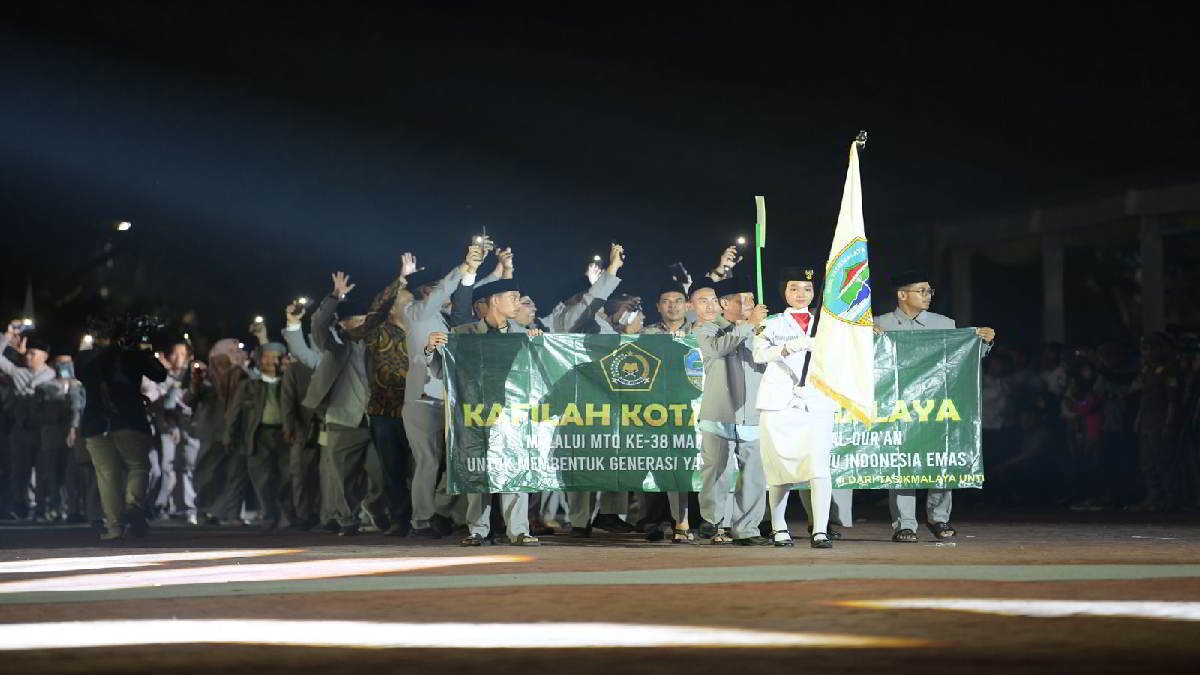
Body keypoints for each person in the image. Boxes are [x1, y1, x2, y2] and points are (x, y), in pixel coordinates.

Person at [875, 270, 995, 542]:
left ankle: (939, 518)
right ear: (902, 294)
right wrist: (863, 336)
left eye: (929, 291)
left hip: (937, 402)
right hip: (897, 406)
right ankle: (905, 523)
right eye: (922, 291)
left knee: (941, 457)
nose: (928, 296)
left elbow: (961, 359)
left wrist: (983, 342)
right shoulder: (879, 324)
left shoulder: (944, 323)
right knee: (901, 463)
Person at [432, 278, 544, 546]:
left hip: (512, 413)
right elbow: (440, 372)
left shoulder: (523, 335)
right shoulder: (463, 333)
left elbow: (537, 376)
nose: (518, 303)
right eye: (514, 297)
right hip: (475, 412)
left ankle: (518, 530)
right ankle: (477, 529)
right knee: (477, 469)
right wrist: (430, 350)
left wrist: (538, 349)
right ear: (495, 299)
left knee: (515, 468)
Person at [402, 243, 486, 537]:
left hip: (450, 398)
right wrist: (462, 269)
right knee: (428, 462)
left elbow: (470, 297)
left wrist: (474, 271)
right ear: (426, 291)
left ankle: (442, 512)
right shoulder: (414, 312)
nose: (443, 293)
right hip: (422, 399)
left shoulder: (446, 319)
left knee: (455, 462)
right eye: (436, 289)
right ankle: (421, 521)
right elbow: (443, 293)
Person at [752, 267, 836, 548]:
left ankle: (821, 530)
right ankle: (779, 527)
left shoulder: (826, 323)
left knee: (819, 467)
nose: (801, 295)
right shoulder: (771, 323)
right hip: (778, 404)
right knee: (779, 468)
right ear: (784, 292)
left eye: (808, 289)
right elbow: (759, 354)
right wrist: (793, 346)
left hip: (816, 402)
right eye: (794, 289)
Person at [691, 276, 770, 545]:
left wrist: (758, 330)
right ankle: (715, 522)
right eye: (744, 299)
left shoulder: (762, 328)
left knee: (754, 475)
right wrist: (748, 326)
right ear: (725, 303)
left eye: (752, 299)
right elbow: (718, 350)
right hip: (719, 412)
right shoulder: (707, 329)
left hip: (753, 412)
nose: (751, 304)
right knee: (717, 470)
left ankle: (747, 529)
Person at [73, 320, 169, 540]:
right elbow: (160, 374)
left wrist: (85, 348)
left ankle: (114, 527)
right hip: (129, 419)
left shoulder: (87, 357)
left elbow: (80, 372)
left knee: (107, 476)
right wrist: (146, 352)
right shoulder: (133, 355)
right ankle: (133, 503)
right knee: (138, 465)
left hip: (96, 422)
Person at [225, 340, 294, 530]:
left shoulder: (289, 383)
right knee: (261, 478)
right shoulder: (248, 386)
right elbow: (235, 412)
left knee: (286, 475)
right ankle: (269, 514)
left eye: (276, 358)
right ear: (260, 360)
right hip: (257, 436)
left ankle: (283, 511)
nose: (271, 362)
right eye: (267, 357)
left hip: (285, 436)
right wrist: (230, 436)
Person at [0, 328, 56, 519]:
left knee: (43, 470)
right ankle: (20, 504)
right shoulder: (19, 372)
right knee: (19, 469)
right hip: (21, 428)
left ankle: (42, 506)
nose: (29, 356)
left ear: (45, 356)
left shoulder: (54, 375)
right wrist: (7, 339)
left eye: (34, 353)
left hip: (44, 429)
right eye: (28, 352)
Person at [148, 340, 201, 522]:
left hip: (188, 428)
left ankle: (182, 507)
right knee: (166, 467)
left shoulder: (191, 375)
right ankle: (160, 505)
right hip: (165, 428)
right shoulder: (163, 375)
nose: (178, 358)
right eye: (175, 353)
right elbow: (160, 403)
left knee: (185, 467)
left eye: (182, 353)